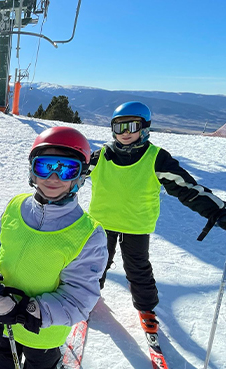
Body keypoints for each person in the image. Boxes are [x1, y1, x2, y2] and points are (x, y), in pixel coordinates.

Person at [0, 127, 108, 369]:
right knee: (3, 352)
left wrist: (25, 310)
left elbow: (79, 299)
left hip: (42, 331)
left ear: (81, 175)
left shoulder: (87, 234)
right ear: (32, 171)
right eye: (45, 166)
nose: (54, 178)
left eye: (66, 169)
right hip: (0, 315)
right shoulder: (16, 205)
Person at [88, 101, 226, 332]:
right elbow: (71, 175)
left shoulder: (156, 158)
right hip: (101, 223)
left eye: (130, 127)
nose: (124, 134)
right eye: (118, 127)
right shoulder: (101, 156)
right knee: (94, 264)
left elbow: (186, 188)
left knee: (137, 268)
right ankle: (86, 296)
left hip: (136, 225)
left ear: (144, 128)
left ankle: (146, 308)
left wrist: (218, 210)